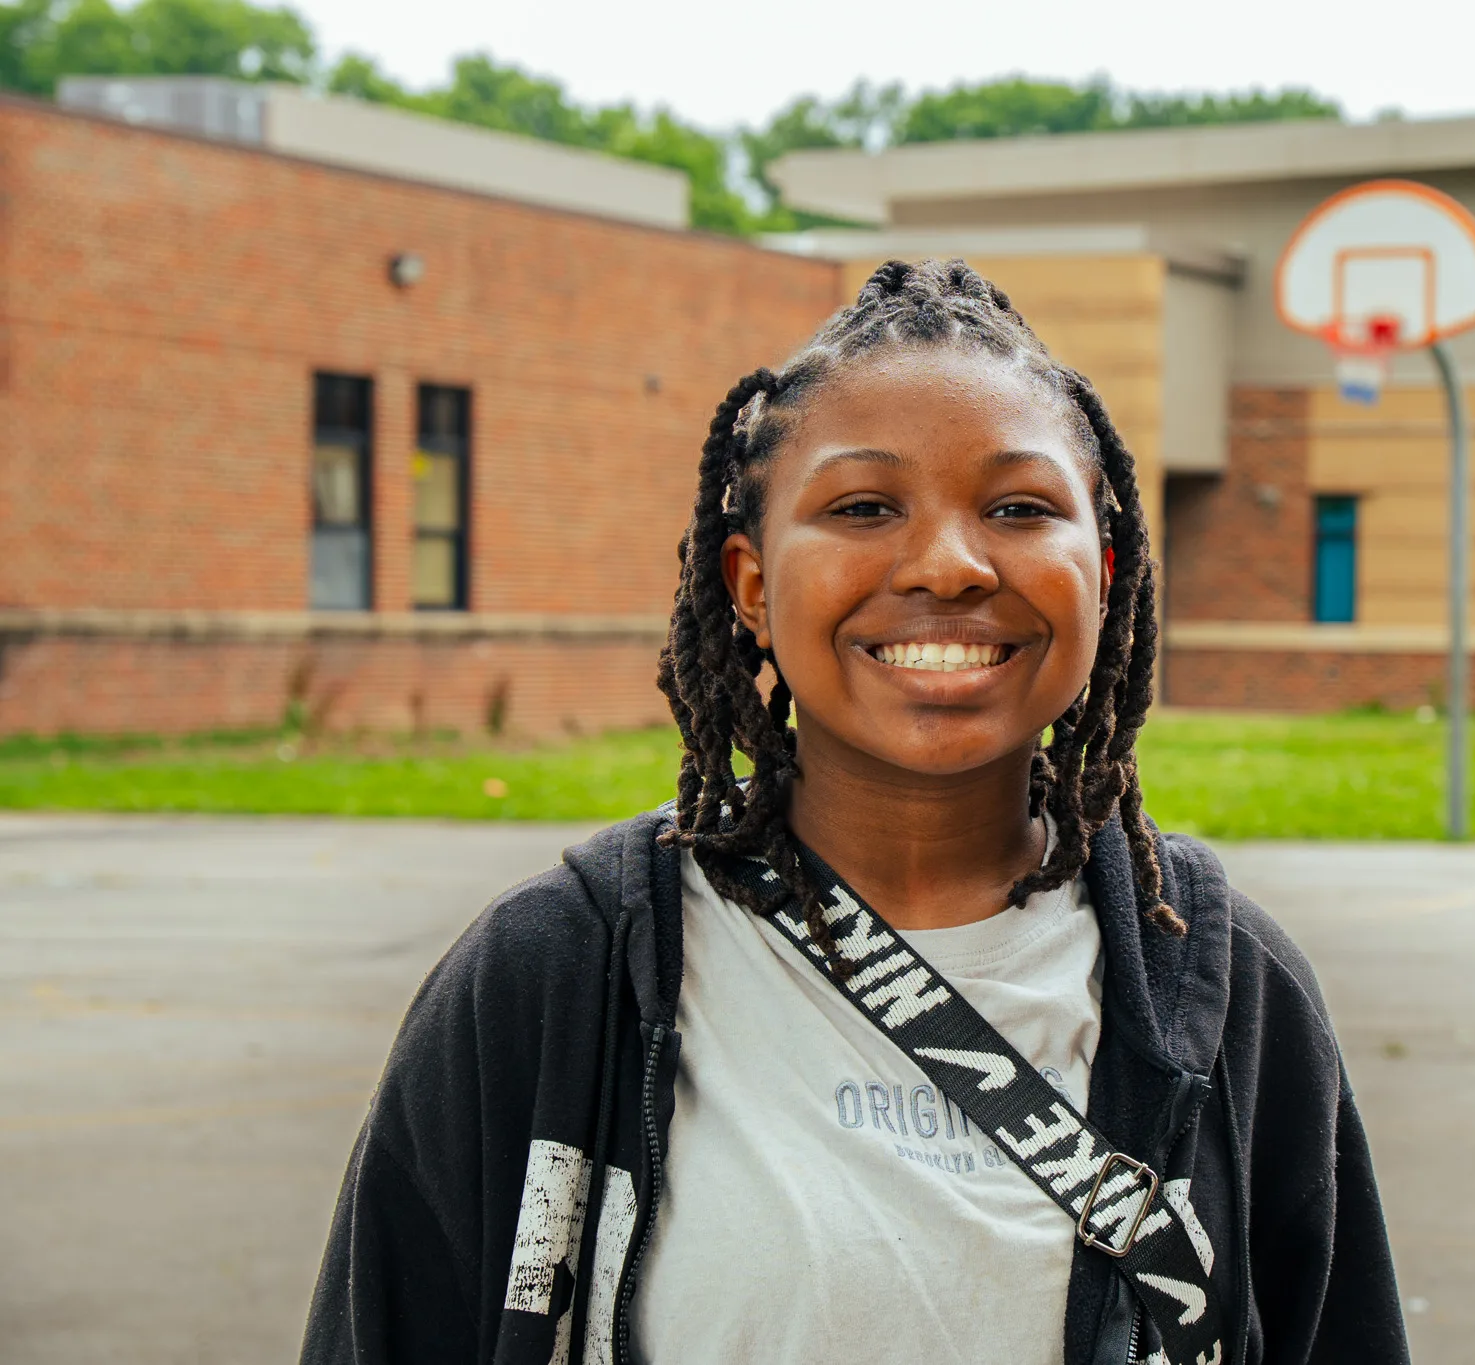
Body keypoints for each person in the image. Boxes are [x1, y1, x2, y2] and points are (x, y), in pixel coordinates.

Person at [301, 259, 1409, 1365]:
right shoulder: (556, 973)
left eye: (1019, 508)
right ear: (750, 582)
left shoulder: (1227, 989)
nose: (947, 565)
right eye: (863, 507)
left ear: (1105, 572)